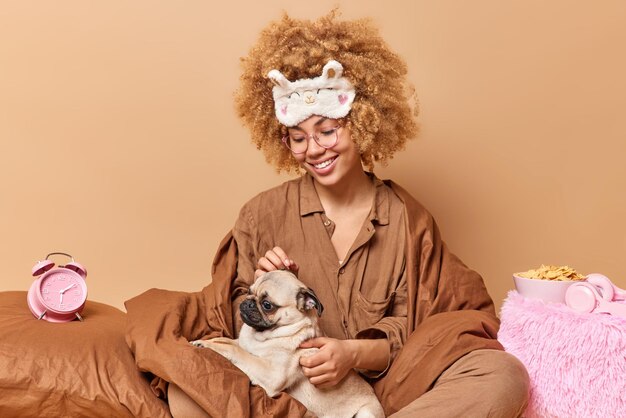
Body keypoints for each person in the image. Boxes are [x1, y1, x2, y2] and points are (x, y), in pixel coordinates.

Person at [126, 10, 530, 417]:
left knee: (502, 375)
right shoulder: (260, 215)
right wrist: (259, 283)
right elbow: (225, 321)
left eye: (327, 131)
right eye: (297, 138)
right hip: (275, 395)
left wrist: (352, 354)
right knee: (188, 382)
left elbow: (428, 325)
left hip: (386, 393)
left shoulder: (407, 220)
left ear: (363, 123)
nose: (314, 150)